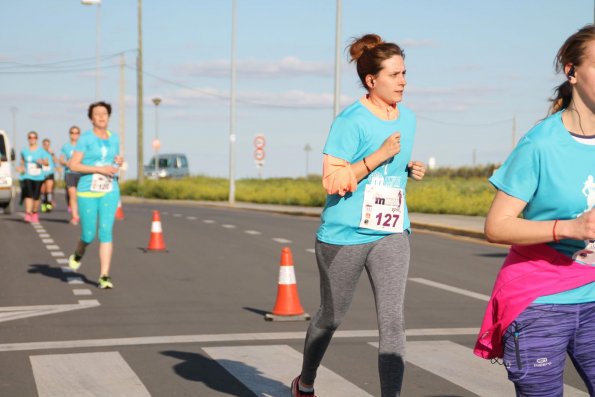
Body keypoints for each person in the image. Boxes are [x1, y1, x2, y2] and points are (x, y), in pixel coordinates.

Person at [290, 34, 425, 397]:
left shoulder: (408, 119)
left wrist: (407, 168)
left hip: (391, 231)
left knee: (393, 322)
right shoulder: (350, 121)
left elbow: (388, 170)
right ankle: (305, 381)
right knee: (330, 317)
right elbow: (332, 180)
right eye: (395, 75)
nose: (403, 81)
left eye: (404, 73)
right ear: (371, 81)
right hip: (344, 235)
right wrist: (378, 156)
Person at [474, 24, 595, 396]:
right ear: (571, 72)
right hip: (542, 302)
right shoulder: (541, 143)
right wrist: (569, 228)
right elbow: (497, 226)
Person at [68, 101, 123, 289]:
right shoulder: (85, 139)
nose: (101, 116)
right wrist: (98, 169)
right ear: (91, 118)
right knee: (89, 235)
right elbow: (73, 165)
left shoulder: (114, 138)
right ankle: (78, 251)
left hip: (109, 189)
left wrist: (118, 162)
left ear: (109, 116)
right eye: (97, 114)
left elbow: (113, 162)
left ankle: (104, 276)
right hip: (87, 190)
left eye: (104, 113)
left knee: (106, 232)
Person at [18, 131, 49, 223]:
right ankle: (28, 213)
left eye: (34, 137)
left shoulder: (41, 151)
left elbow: (47, 162)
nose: (32, 139)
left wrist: (42, 162)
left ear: (36, 139)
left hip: (38, 176)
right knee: (28, 194)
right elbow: (22, 160)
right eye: (30, 137)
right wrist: (22, 167)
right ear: (28, 139)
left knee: (36, 196)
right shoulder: (24, 150)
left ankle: (34, 212)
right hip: (27, 175)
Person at [59, 125, 82, 225]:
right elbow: (61, 159)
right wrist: (66, 163)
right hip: (70, 173)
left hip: (81, 173)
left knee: (80, 196)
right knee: (72, 195)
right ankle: (75, 217)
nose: (74, 134)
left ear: (79, 134)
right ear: (69, 134)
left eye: (76, 133)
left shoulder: (83, 146)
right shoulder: (66, 146)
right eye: (72, 132)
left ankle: (81, 214)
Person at [40, 138, 58, 213]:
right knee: (42, 190)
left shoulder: (51, 153)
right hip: (41, 174)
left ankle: (49, 204)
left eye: (48, 144)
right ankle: (43, 204)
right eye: (45, 144)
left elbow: (56, 161)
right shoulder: (40, 152)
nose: (46, 146)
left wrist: (53, 154)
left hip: (50, 173)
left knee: (49, 189)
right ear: (42, 145)